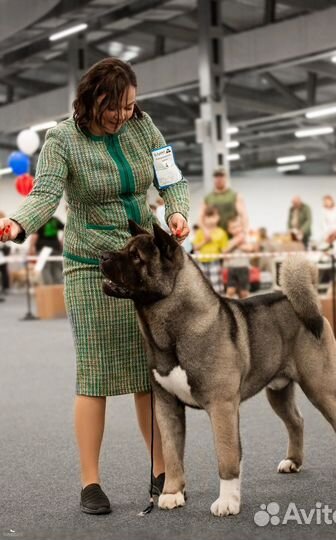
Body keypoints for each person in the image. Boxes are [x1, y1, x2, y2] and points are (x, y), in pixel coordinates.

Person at [0, 57, 190, 515]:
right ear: (92, 98)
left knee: (150, 371)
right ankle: (91, 483)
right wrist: (15, 223)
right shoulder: (63, 138)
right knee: (97, 372)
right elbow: (45, 194)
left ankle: (163, 471)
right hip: (93, 269)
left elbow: (171, 179)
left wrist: (177, 210)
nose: (124, 114)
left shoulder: (144, 129)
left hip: (144, 268)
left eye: (130, 106)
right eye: (116, 106)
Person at [200, 167, 249, 232]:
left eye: (221, 176)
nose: (219, 179)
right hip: (215, 237)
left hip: (232, 235)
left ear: (226, 178)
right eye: (216, 176)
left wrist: (245, 232)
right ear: (213, 179)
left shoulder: (235, 196)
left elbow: (243, 215)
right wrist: (205, 231)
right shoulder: (207, 198)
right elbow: (201, 218)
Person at [193, 206, 228, 293]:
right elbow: (195, 248)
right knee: (204, 286)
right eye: (208, 217)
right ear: (204, 219)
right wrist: (205, 241)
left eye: (213, 216)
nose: (210, 219)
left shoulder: (221, 232)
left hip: (214, 262)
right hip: (201, 262)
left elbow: (224, 250)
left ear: (218, 217)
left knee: (216, 286)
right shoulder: (200, 232)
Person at [29, 216, 64, 284]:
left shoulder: (39, 220)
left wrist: (31, 247)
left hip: (43, 249)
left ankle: (49, 289)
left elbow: (35, 235)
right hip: (56, 247)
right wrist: (62, 241)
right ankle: (59, 290)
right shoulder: (55, 219)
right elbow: (66, 228)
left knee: (45, 269)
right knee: (57, 269)